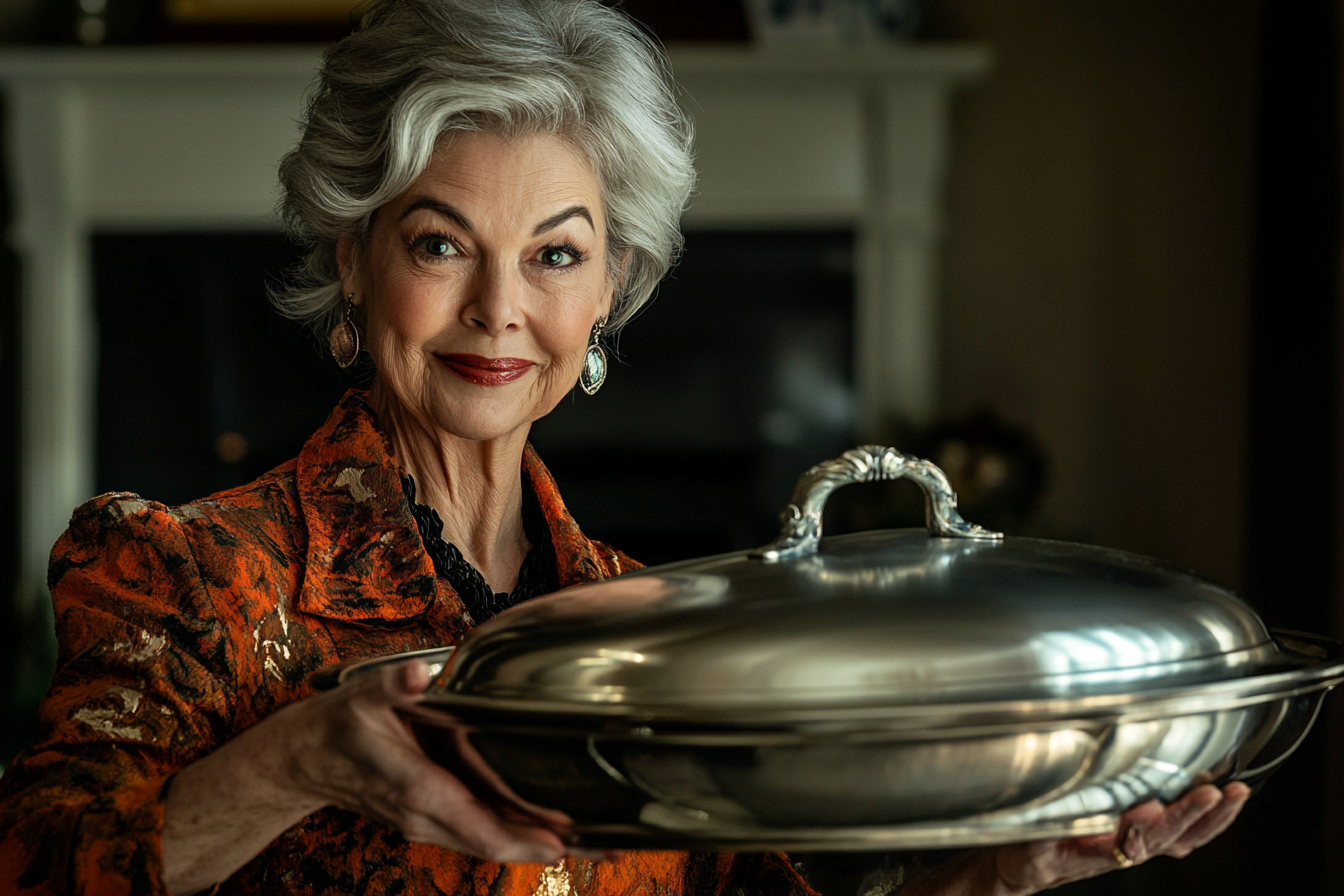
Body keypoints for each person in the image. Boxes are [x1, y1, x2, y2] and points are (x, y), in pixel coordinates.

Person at [0, 1, 1248, 893]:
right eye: (440, 243)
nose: (500, 308)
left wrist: (988, 874)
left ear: (611, 288)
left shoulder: (643, 622)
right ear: (352, 257)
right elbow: (38, 864)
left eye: (555, 253)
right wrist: (300, 758)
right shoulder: (186, 570)